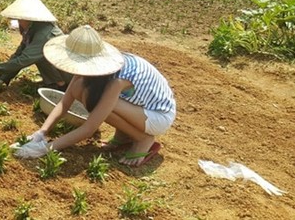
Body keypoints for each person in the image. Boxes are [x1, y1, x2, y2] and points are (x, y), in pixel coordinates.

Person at [14, 25, 176, 167]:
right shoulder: (90, 71)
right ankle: (123, 136)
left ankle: (142, 139)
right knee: (88, 94)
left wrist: (46, 148)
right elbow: (65, 102)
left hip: (158, 115)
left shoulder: (117, 81)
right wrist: (42, 132)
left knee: (100, 103)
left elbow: (89, 128)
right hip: (138, 107)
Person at [0, 0, 73, 90]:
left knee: (39, 57)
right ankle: (55, 82)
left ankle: (60, 85)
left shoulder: (44, 35)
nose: (19, 23)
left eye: (20, 20)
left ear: (28, 19)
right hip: (60, 72)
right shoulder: (33, 30)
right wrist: (3, 79)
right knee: (36, 56)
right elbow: (18, 55)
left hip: (69, 79)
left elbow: (23, 60)